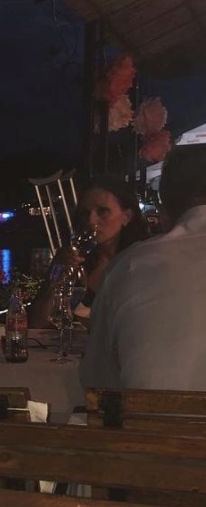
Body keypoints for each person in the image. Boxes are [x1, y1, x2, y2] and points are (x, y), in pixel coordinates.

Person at [80, 145, 206, 390]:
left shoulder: (131, 265)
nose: (91, 222)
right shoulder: (115, 262)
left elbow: (96, 379)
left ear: (165, 201)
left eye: (102, 212)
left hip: (152, 414)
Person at [29, 175, 149, 328]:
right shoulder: (78, 263)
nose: (91, 221)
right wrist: (56, 271)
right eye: (85, 213)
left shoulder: (142, 262)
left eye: (102, 211)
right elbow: (38, 323)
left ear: (126, 217)